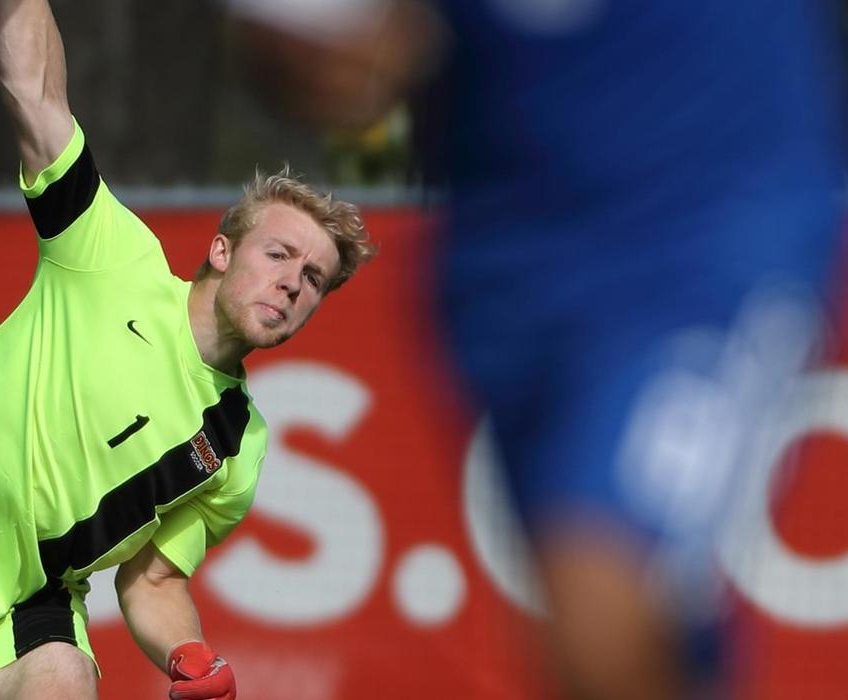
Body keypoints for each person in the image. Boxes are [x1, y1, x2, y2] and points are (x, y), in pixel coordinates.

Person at [227, 0, 847, 698]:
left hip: (707, 243)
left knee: (601, 599)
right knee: (616, 640)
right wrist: (344, 43)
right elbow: (333, 72)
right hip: (505, 276)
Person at [0, 1, 376, 697]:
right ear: (221, 250)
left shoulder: (237, 445)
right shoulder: (113, 260)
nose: (290, 283)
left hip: (27, 603)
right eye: (278, 254)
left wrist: (191, 655)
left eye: (312, 279)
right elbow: (36, 97)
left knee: (63, 677)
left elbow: (153, 580)